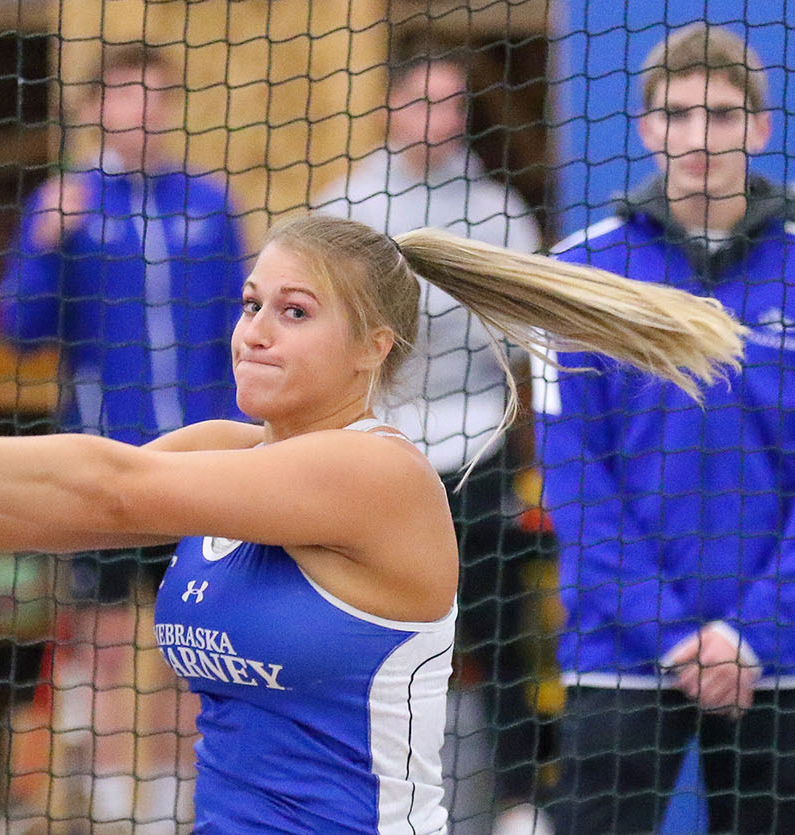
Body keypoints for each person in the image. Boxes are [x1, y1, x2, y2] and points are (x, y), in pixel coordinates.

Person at [0, 212, 744, 833]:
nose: (255, 330)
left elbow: (107, 485)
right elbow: (35, 512)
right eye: (252, 302)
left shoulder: (374, 474)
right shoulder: (231, 450)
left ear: (373, 348)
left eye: (295, 312)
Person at [538, 23, 795, 834]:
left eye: (722, 115)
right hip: (619, 657)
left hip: (782, 661)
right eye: (677, 115)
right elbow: (574, 480)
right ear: (646, 129)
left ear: (761, 127)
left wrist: (753, 632)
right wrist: (674, 634)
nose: (699, 137)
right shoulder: (578, 275)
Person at [0, 44, 247, 826]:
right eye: (126, 96)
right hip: (104, 462)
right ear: (95, 109)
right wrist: (45, 242)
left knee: (189, 638)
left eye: (154, 97)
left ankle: (173, 802)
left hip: (197, 468)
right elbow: (18, 327)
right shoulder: (68, 201)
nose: (142, 112)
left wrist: (242, 437)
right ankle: (110, 805)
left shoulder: (207, 204)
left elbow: (239, 332)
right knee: (103, 643)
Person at [314, 53, 547, 832]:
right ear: (390, 105)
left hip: (474, 450)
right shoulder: (346, 207)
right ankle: (357, 797)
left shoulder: (498, 211)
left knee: (496, 627)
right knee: (365, 633)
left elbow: (523, 337)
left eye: (452, 105)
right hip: (376, 451)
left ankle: (516, 801)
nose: (436, 120)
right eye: (421, 101)